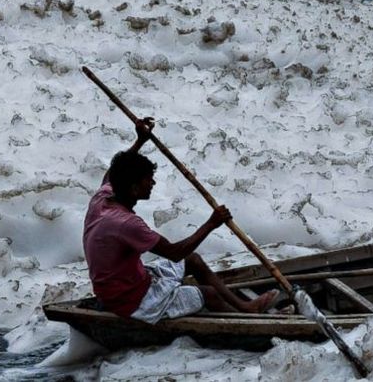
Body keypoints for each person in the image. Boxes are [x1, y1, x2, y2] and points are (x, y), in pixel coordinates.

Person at [83, 117, 278, 323]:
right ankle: (247, 323)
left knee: (193, 260)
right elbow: (174, 253)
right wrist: (211, 223)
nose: (153, 182)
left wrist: (140, 141)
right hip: (131, 301)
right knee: (208, 294)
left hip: (120, 284)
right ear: (133, 188)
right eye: (148, 179)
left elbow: (115, 172)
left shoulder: (103, 197)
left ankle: (246, 307)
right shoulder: (127, 223)